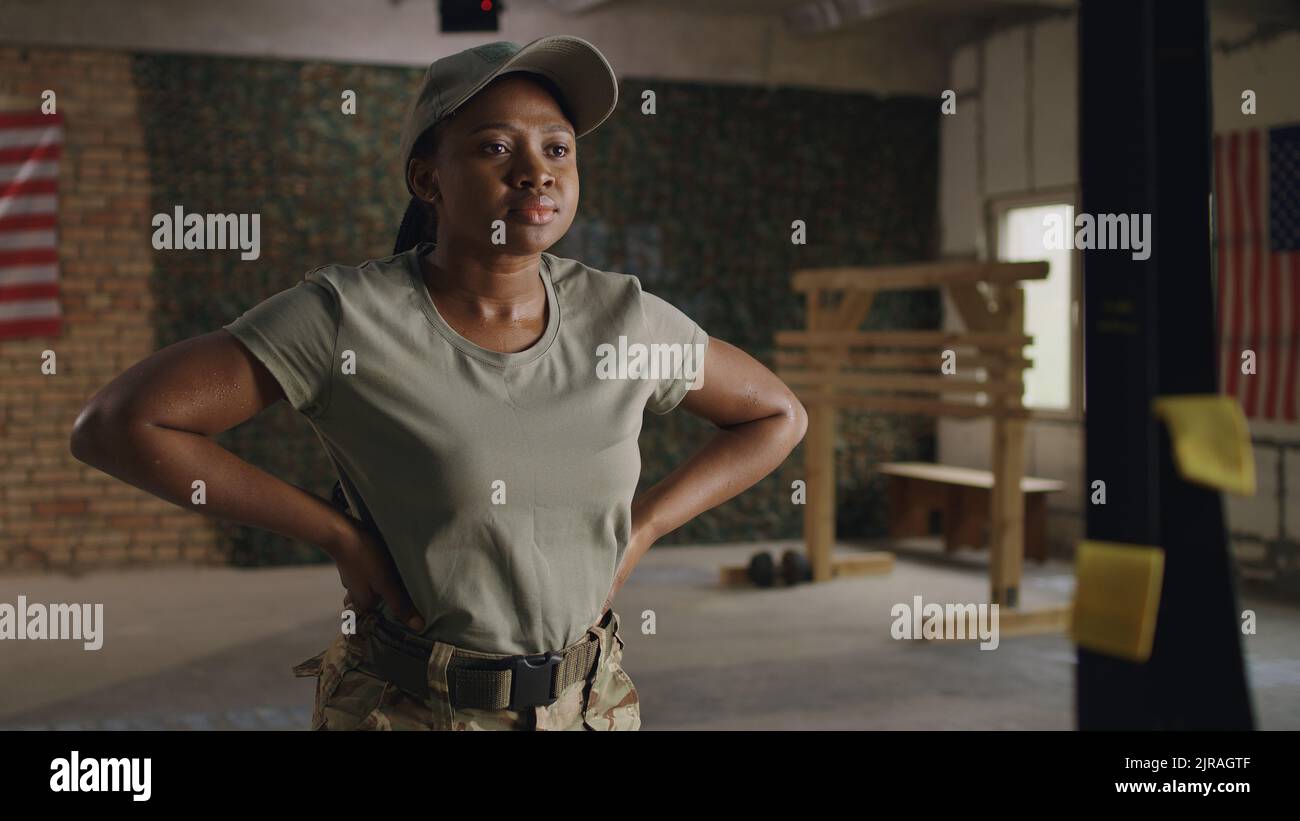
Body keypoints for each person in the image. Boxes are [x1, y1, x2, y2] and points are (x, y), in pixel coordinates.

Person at [70, 35, 808, 730]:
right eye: (495, 147)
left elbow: (776, 414)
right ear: (427, 178)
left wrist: (643, 529)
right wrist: (335, 534)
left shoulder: (625, 320)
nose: (536, 170)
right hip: (410, 706)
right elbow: (118, 425)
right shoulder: (348, 318)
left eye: (557, 148)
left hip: (590, 703)